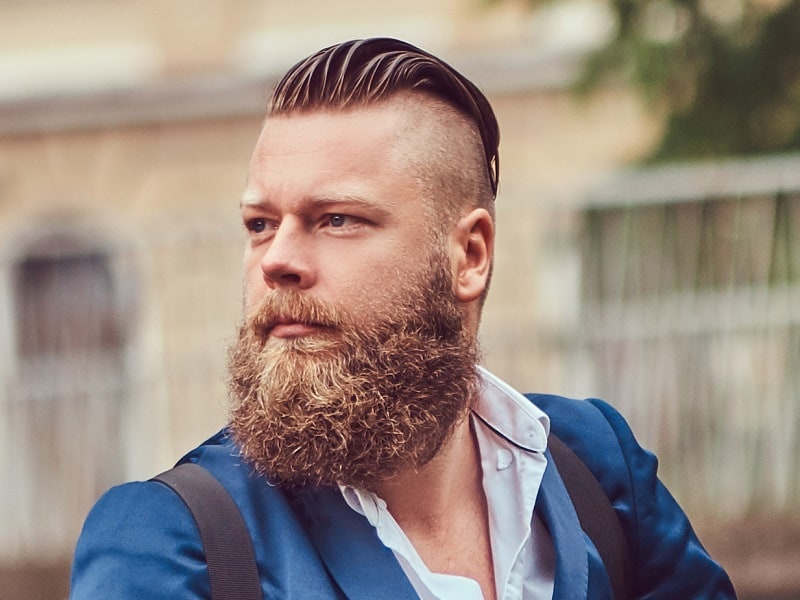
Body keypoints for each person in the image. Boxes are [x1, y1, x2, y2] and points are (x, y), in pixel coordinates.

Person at [70, 38, 736, 599]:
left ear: (468, 256)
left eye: (337, 220)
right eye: (260, 224)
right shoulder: (170, 542)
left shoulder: (594, 464)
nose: (277, 261)